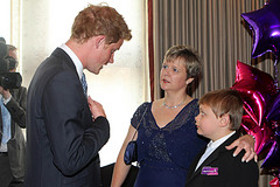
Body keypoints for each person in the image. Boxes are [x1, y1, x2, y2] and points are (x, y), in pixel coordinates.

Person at [111, 45, 256, 187]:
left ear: (190, 79)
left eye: (174, 69)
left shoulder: (199, 111)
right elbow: (125, 152)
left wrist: (249, 139)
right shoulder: (144, 111)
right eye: (164, 66)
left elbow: (226, 134)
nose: (166, 73)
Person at [24, 4, 132, 187]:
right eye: (112, 50)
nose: (111, 59)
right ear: (99, 41)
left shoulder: (53, 67)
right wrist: (101, 125)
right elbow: (70, 160)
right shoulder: (62, 78)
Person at [185, 89, 259, 187]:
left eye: (203, 113)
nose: (196, 118)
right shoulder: (207, 148)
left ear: (223, 121)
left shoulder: (240, 158)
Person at [0, 42, 27, 187]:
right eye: (9, 63)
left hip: (17, 162)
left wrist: (7, 97)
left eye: (15, 63)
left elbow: (25, 121)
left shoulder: (21, 91)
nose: (12, 68)